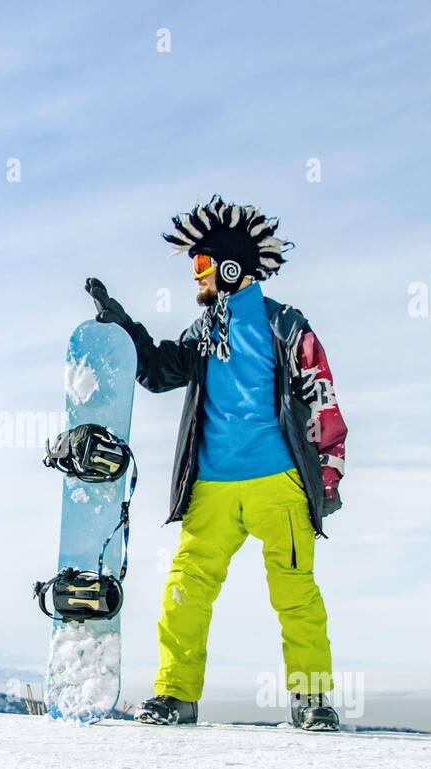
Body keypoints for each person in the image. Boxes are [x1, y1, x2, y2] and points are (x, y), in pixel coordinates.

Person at [85, 196, 348, 731]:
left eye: (202, 266)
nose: (196, 278)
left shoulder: (287, 327)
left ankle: (311, 700)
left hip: (280, 483)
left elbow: (322, 396)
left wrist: (327, 475)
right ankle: (175, 697)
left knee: (295, 593)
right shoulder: (204, 335)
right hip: (212, 488)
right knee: (186, 588)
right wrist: (122, 328)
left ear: (231, 268)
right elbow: (158, 371)